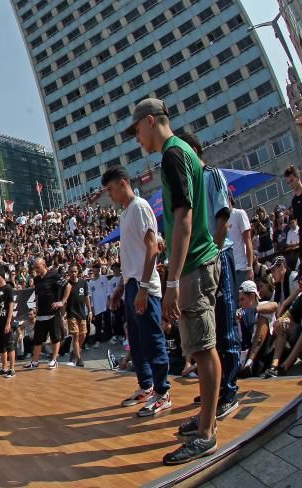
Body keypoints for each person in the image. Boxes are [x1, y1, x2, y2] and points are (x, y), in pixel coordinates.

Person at [126, 98, 221, 464]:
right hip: (196, 259)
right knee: (200, 346)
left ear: (151, 121)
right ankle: (206, 416)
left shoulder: (171, 154)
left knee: (202, 348)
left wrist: (172, 282)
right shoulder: (184, 152)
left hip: (194, 262)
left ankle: (207, 433)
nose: (137, 139)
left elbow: (183, 218)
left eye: (137, 130)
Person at [180, 132, 243, 419]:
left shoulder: (211, 176)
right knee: (211, 331)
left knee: (225, 325)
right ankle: (214, 388)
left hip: (218, 257)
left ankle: (228, 391)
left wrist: (213, 256)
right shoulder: (190, 186)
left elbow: (222, 221)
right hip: (203, 262)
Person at [103, 166, 170, 417]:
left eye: (110, 189)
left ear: (123, 183)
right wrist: (122, 287)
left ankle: (163, 393)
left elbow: (153, 248)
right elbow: (131, 255)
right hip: (132, 284)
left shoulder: (140, 207)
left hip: (145, 285)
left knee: (152, 340)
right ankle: (147, 387)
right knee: (137, 341)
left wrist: (142, 287)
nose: (110, 195)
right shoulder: (125, 214)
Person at [24, 258, 69, 370]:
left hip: (53, 314)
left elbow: (68, 286)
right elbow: (37, 296)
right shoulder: (36, 279)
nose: (36, 269)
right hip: (41, 314)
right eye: (34, 267)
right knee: (38, 339)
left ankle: (54, 360)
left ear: (43, 265)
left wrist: (62, 302)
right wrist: (36, 308)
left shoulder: (54, 275)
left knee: (55, 338)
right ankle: (35, 362)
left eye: (37, 267)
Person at [64, 265, 92, 367]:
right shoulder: (66, 285)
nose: (73, 273)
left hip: (82, 313)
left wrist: (89, 311)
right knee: (75, 335)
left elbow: (86, 297)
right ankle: (79, 359)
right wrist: (63, 313)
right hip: (71, 313)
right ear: (69, 272)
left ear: (78, 272)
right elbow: (64, 300)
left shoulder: (83, 282)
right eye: (71, 271)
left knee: (83, 335)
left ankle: (74, 353)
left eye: (75, 271)